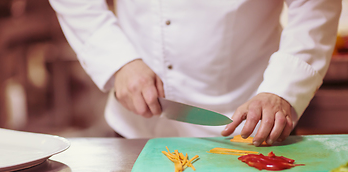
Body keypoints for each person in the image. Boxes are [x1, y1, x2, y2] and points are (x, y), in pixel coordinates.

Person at [49, 0, 341, 146]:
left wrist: (282, 88)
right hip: (136, 128)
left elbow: (315, 7)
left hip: (251, 123)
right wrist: (118, 61)